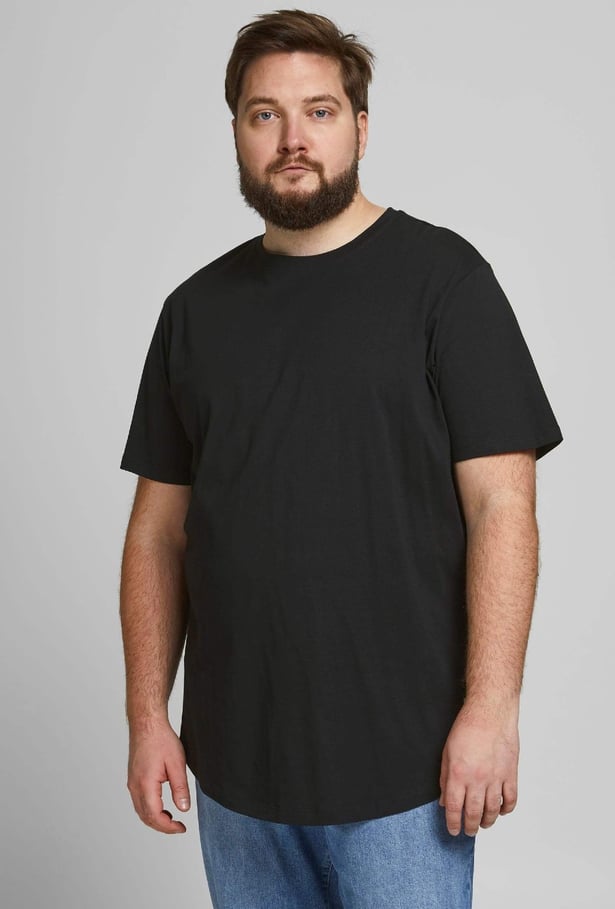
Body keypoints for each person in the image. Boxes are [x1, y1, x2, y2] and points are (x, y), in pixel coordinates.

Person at [118, 9, 563, 908]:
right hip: (236, 774)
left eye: (318, 111)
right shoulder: (193, 313)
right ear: (237, 133)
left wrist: (492, 710)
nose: (293, 138)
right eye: (265, 114)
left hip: (406, 773)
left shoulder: (446, 283)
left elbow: (503, 508)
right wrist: (145, 717)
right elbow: (158, 533)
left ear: (361, 127)